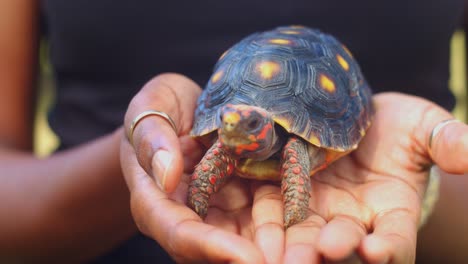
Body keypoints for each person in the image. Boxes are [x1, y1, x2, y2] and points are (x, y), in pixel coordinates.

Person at [1, 0, 467, 263]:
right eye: (227, 124)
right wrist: (155, 165)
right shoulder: (227, 139)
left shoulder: (290, 145)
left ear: (261, 127)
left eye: (242, 125)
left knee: (293, 156)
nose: (231, 130)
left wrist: (426, 181)